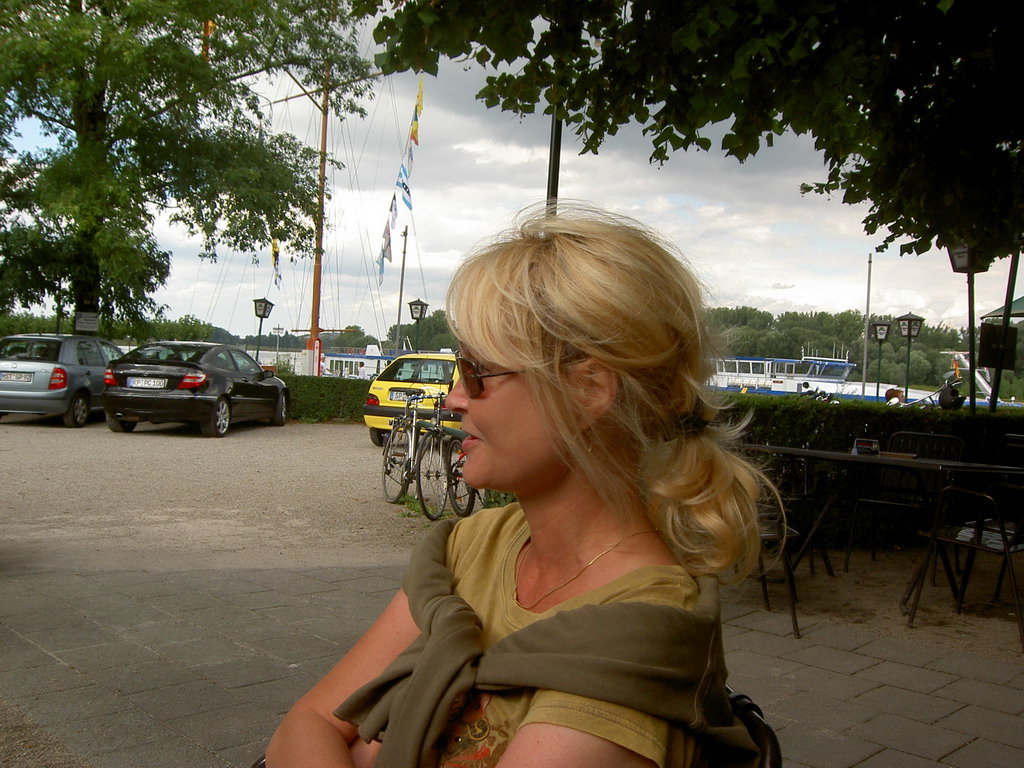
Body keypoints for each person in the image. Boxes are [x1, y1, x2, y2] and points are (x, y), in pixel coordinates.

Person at [266, 203, 769, 768]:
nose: (453, 398)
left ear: (588, 391)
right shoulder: (472, 545)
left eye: (477, 372)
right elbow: (305, 724)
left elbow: (318, 730)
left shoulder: (639, 632)